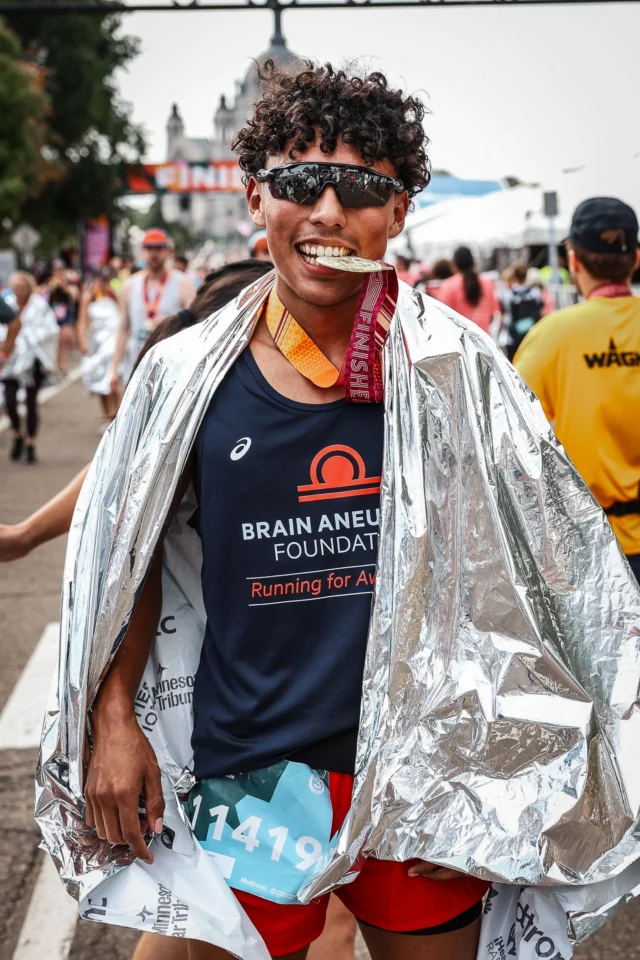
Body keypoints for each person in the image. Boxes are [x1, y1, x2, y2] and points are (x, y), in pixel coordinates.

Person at [83, 61, 489, 960]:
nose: (330, 214)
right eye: (301, 182)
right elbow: (131, 556)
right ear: (257, 197)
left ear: (401, 210)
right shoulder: (184, 376)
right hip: (256, 781)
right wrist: (114, 720)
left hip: (420, 775)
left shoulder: (456, 374)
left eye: (363, 188)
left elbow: (521, 574)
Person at [0, 256, 358, 960]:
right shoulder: (210, 380)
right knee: (295, 914)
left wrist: (24, 535)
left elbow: (114, 466)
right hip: (230, 697)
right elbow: (121, 469)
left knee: (192, 911)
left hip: (239, 694)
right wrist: (26, 536)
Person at [514, 197, 640, 580]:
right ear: (635, 258)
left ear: (574, 262)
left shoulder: (553, 336)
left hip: (595, 547)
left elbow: (508, 434)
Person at [109, 228, 195, 393]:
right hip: (137, 365)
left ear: (168, 251)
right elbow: (123, 329)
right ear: (142, 252)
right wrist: (114, 368)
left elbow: (196, 325)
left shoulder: (184, 284)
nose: (154, 253)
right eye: (149, 248)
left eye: (158, 248)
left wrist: (173, 320)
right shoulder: (129, 286)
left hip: (173, 368)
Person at [1, 271, 59, 464]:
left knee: (31, 402)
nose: (18, 290)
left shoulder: (39, 305)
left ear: (29, 287)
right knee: (9, 401)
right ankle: (18, 434)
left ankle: (31, 443)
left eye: (21, 287)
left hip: (32, 360)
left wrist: (30, 337)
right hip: (10, 359)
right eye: (15, 287)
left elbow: (51, 329)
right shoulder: (6, 303)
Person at [77, 267, 122, 424]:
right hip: (97, 344)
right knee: (100, 382)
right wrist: (82, 341)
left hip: (113, 343)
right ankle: (106, 417)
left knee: (112, 379)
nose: (103, 283)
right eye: (101, 280)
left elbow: (123, 316)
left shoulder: (114, 294)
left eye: (106, 280)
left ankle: (117, 415)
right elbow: (82, 321)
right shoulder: (89, 297)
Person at [437, 246, 501, 333]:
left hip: (458, 342)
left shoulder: (448, 286)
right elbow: (493, 315)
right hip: (484, 341)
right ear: (473, 263)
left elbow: (442, 318)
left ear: (454, 265)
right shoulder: (488, 284)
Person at [499, 261, 544, 361]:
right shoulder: (535, 293)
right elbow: (541, 312)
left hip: (512, 337)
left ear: (514, 276)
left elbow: (504, 315)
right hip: (531, 334)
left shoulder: (508, 294)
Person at [48, 259, 79, 374]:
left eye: (60, 269)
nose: (57, 272)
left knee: (64, 340)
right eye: (55, 270)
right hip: (52, 316)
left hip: (66, 316)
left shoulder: (69, 282)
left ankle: (63, 365)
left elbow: (75, 296)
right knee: (55, 342)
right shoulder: (50, 283)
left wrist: (63, 286)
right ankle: (55, 365)